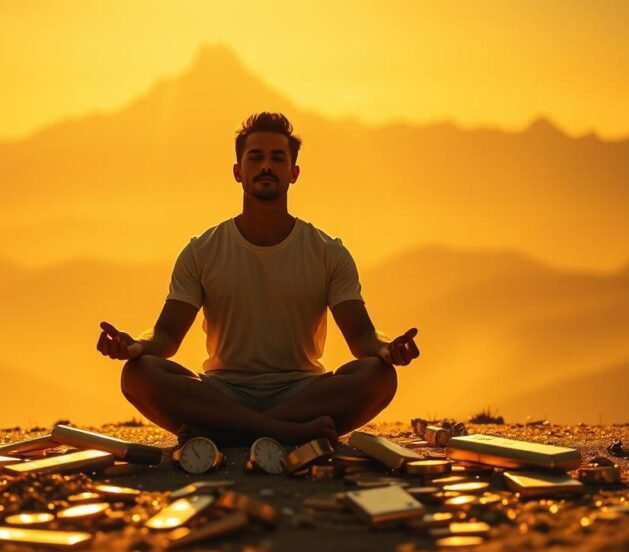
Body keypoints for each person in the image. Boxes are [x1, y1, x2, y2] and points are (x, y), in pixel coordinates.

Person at [97, 112, 420, 445]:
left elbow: (362, 336)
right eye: (256, 157)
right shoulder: (202, 250)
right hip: (222, 392)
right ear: (238, 171)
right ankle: (283, 431)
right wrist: (133, 345)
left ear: (293, 173)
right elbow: (166, 335)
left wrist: (386, 349)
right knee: (138, 374)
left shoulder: (328, 252)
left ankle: (228, 431)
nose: (267, 166)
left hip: (302, 393)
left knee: (378, 376)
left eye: (277, 158)